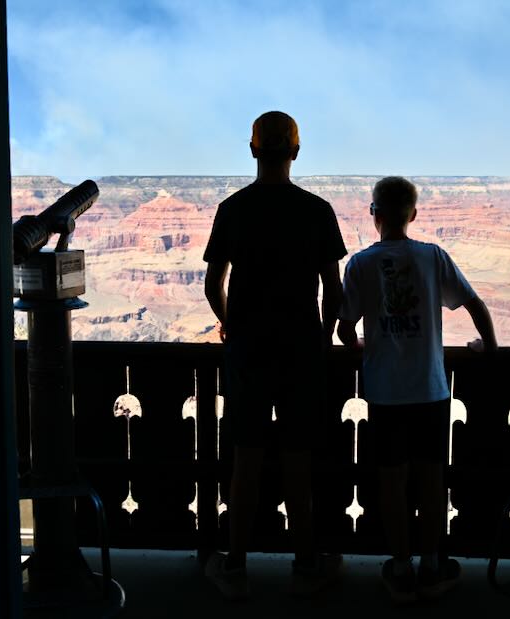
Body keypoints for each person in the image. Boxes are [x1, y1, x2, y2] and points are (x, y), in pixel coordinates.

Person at [202, 111, 347, 600]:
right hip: (302, 350)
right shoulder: (317, 210)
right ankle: (306, 564)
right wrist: (324, 335)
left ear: (253, 149)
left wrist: (230, 324)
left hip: (248, 350)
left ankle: (235, 565)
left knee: (245, 459)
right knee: (298, 460)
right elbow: (334, 288)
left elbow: (211, 283)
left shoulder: (232, 209)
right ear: (297, 151)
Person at [337, 176, 497, 604]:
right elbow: (474, 303)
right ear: (413, 214)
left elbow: (342, 328)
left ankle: (402, 567)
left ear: (374, 215)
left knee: (391, 483)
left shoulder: (360, 264)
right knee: (430, 479)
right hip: (430, 391)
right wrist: (489, 347)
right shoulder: (432, 257)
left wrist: (362, 344)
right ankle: (432, 563)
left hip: (384, 393)